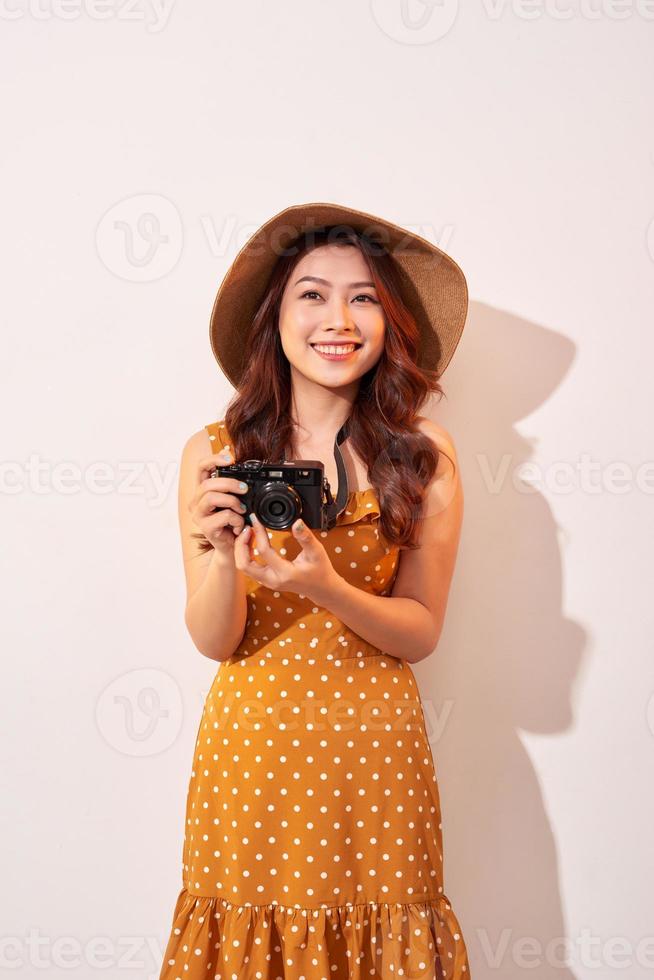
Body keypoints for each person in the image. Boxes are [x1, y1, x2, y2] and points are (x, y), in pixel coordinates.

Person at [158, 202, 472, 979]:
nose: (339, 318)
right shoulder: (216, 450)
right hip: (254, 754)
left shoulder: (423, 453)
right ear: (276, 317)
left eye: (363, 297)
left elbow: (420, 631)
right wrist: (223, 554)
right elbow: (212, 640)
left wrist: (328, 588)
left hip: (375, 761)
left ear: (389, 320)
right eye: (313, 294)